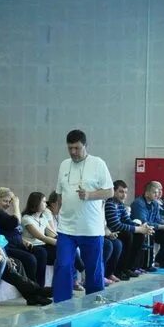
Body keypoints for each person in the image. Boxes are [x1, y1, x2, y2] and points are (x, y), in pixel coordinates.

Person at [52, 129, 114, 302]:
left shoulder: (98, 163)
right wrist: (58, 213)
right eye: (70, 148)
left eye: (77, 148)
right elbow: (59, 193)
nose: (73, 152)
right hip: (67, 228)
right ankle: (61, 305)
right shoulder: (64, 164)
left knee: (93, 268)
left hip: (91, 229)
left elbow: (109, 191)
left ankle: (94, 303)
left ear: (86, 146)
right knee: (63, 265)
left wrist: (89, 195)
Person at [131, 180, 164, 270]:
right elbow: (144, 222)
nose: (157, 195)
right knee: (150, 233)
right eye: (154, 192)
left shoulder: (155, 204)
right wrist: (161, 227)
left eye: (157, 192)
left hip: (153, 227)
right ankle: (147, 264)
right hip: (141, 229)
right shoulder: (139, 203)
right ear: (147, 194)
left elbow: (157, 219)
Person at [105, 180, 150, 279]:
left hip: (118, 231)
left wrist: (142, 228)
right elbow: (116, 225)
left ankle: (129, 267)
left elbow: (127, 220)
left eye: (125, 192)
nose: (124, 195)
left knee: (139, 236)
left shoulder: (120, 205)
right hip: (110, 233)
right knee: (128, 235)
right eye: (121, 192)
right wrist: (137, 229)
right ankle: (119, 270)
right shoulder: (110, 204)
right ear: (113, 191)